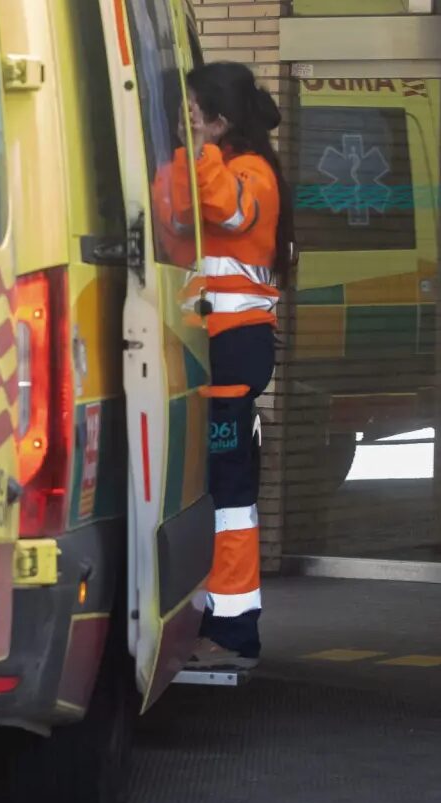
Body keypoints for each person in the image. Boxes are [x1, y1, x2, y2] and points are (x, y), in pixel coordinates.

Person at [177, 62, 293, 670]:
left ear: (219, 119)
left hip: (234, 349)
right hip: (211, 349)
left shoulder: (250, 174)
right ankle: (219, 624)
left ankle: (232, 631)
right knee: (218, 488)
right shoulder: (217, 165)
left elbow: (226, 211)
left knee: (228, 493)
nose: (186, 120)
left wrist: (199, 149)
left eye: (193, 110)